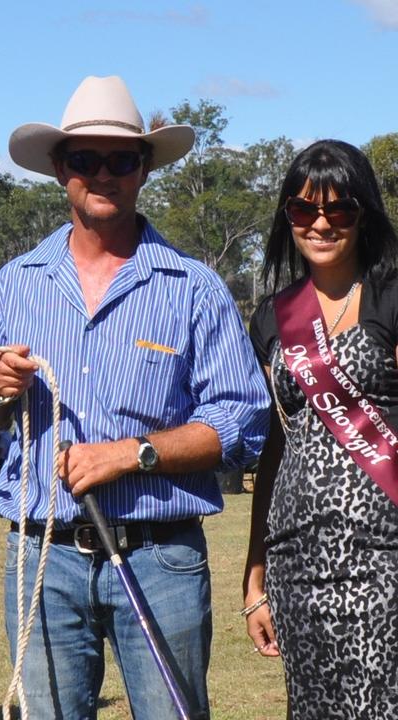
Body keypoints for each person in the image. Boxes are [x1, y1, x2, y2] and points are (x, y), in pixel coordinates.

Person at [0, 76, 268, 718]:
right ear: (60, 169)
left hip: (161, 558)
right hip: (43, 558)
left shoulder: (193, 288)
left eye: (121, 159)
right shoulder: (16, 284)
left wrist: (131, 455)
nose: (103, 174)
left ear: (144, 169)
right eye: (84, 159)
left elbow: (241, 424)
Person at [243, 140, 398, 718]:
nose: (323, 224)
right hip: (297, 562)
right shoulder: (273, 316)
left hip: (385, 556)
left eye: (341, 210)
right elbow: (274, 449)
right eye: (306, 211)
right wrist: (255, 574)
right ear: (289, 217)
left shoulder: (391, 297)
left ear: (365, 216)